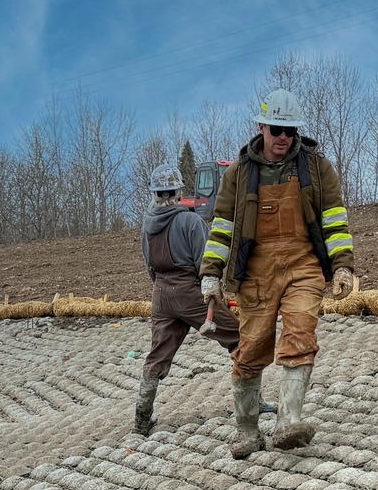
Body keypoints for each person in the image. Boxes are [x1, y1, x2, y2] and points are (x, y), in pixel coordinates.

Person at [200, 89, 357, 456]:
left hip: (303, 265)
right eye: (276, 129)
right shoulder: (239, 173)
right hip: (255, 272)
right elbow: (221, 226)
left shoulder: (317, 168)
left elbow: (334, 218)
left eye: (289, 130)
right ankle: (247, 431)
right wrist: (212, 272)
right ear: (261, 127)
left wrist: (343, 264)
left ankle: (288, 422)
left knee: (301, 331)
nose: (283, 137)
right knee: (251, 349)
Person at [135, 160, 240, 435]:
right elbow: (205, 264)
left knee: (157, 356)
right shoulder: (191, 221)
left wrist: (164, 289)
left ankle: (141, 421)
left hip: (160, 295)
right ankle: (254, 401)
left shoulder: (147, 226)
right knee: (237, 337)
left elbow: (149, 266)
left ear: (155, 193)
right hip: (190, 292)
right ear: (179, 192)